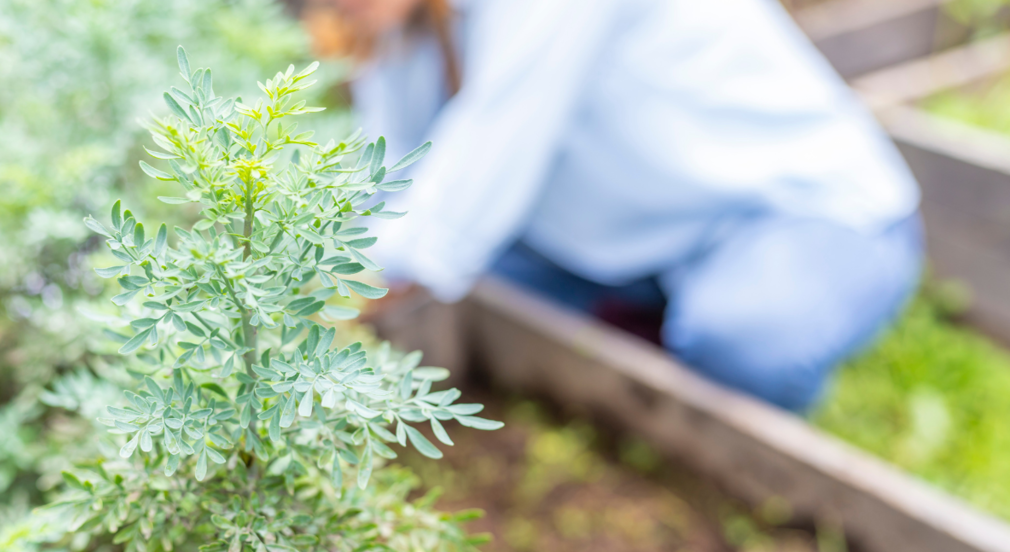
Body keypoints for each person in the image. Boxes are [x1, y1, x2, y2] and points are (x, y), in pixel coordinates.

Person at [322, 0, 924, 412]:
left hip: (792, 211)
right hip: (635, 234)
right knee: (493, 296)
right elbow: (394, 167)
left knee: (735, 346)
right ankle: (654, 327)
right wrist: (302, 256)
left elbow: (489, 154)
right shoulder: (398, 21)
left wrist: (321, 301)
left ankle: (739, 416)